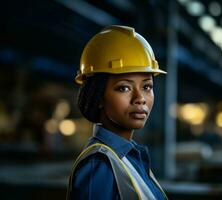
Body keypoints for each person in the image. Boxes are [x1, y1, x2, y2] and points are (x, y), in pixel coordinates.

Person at [67, 25, 168, 200]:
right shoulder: (99, 165)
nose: (140, 98)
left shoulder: (131, 157)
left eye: (147, 87)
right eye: (124, 88)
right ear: (97, 96)